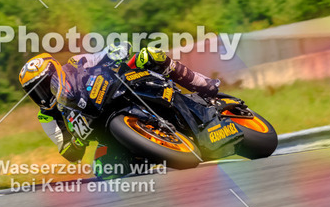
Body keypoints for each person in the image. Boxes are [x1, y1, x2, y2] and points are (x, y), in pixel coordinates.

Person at [18, 43, 221, 165]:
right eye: (34, 91)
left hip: (118, 90)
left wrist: (116, 51)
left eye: (44, 85)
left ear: (56, 72)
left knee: (150, 54)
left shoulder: (75, 63)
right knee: (103, 169)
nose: (43, 93)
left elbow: (102, 55)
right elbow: (67, 152)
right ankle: (152, 154)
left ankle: (203, 84)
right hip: (107, 133)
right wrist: (77, 142)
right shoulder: (47, 116)